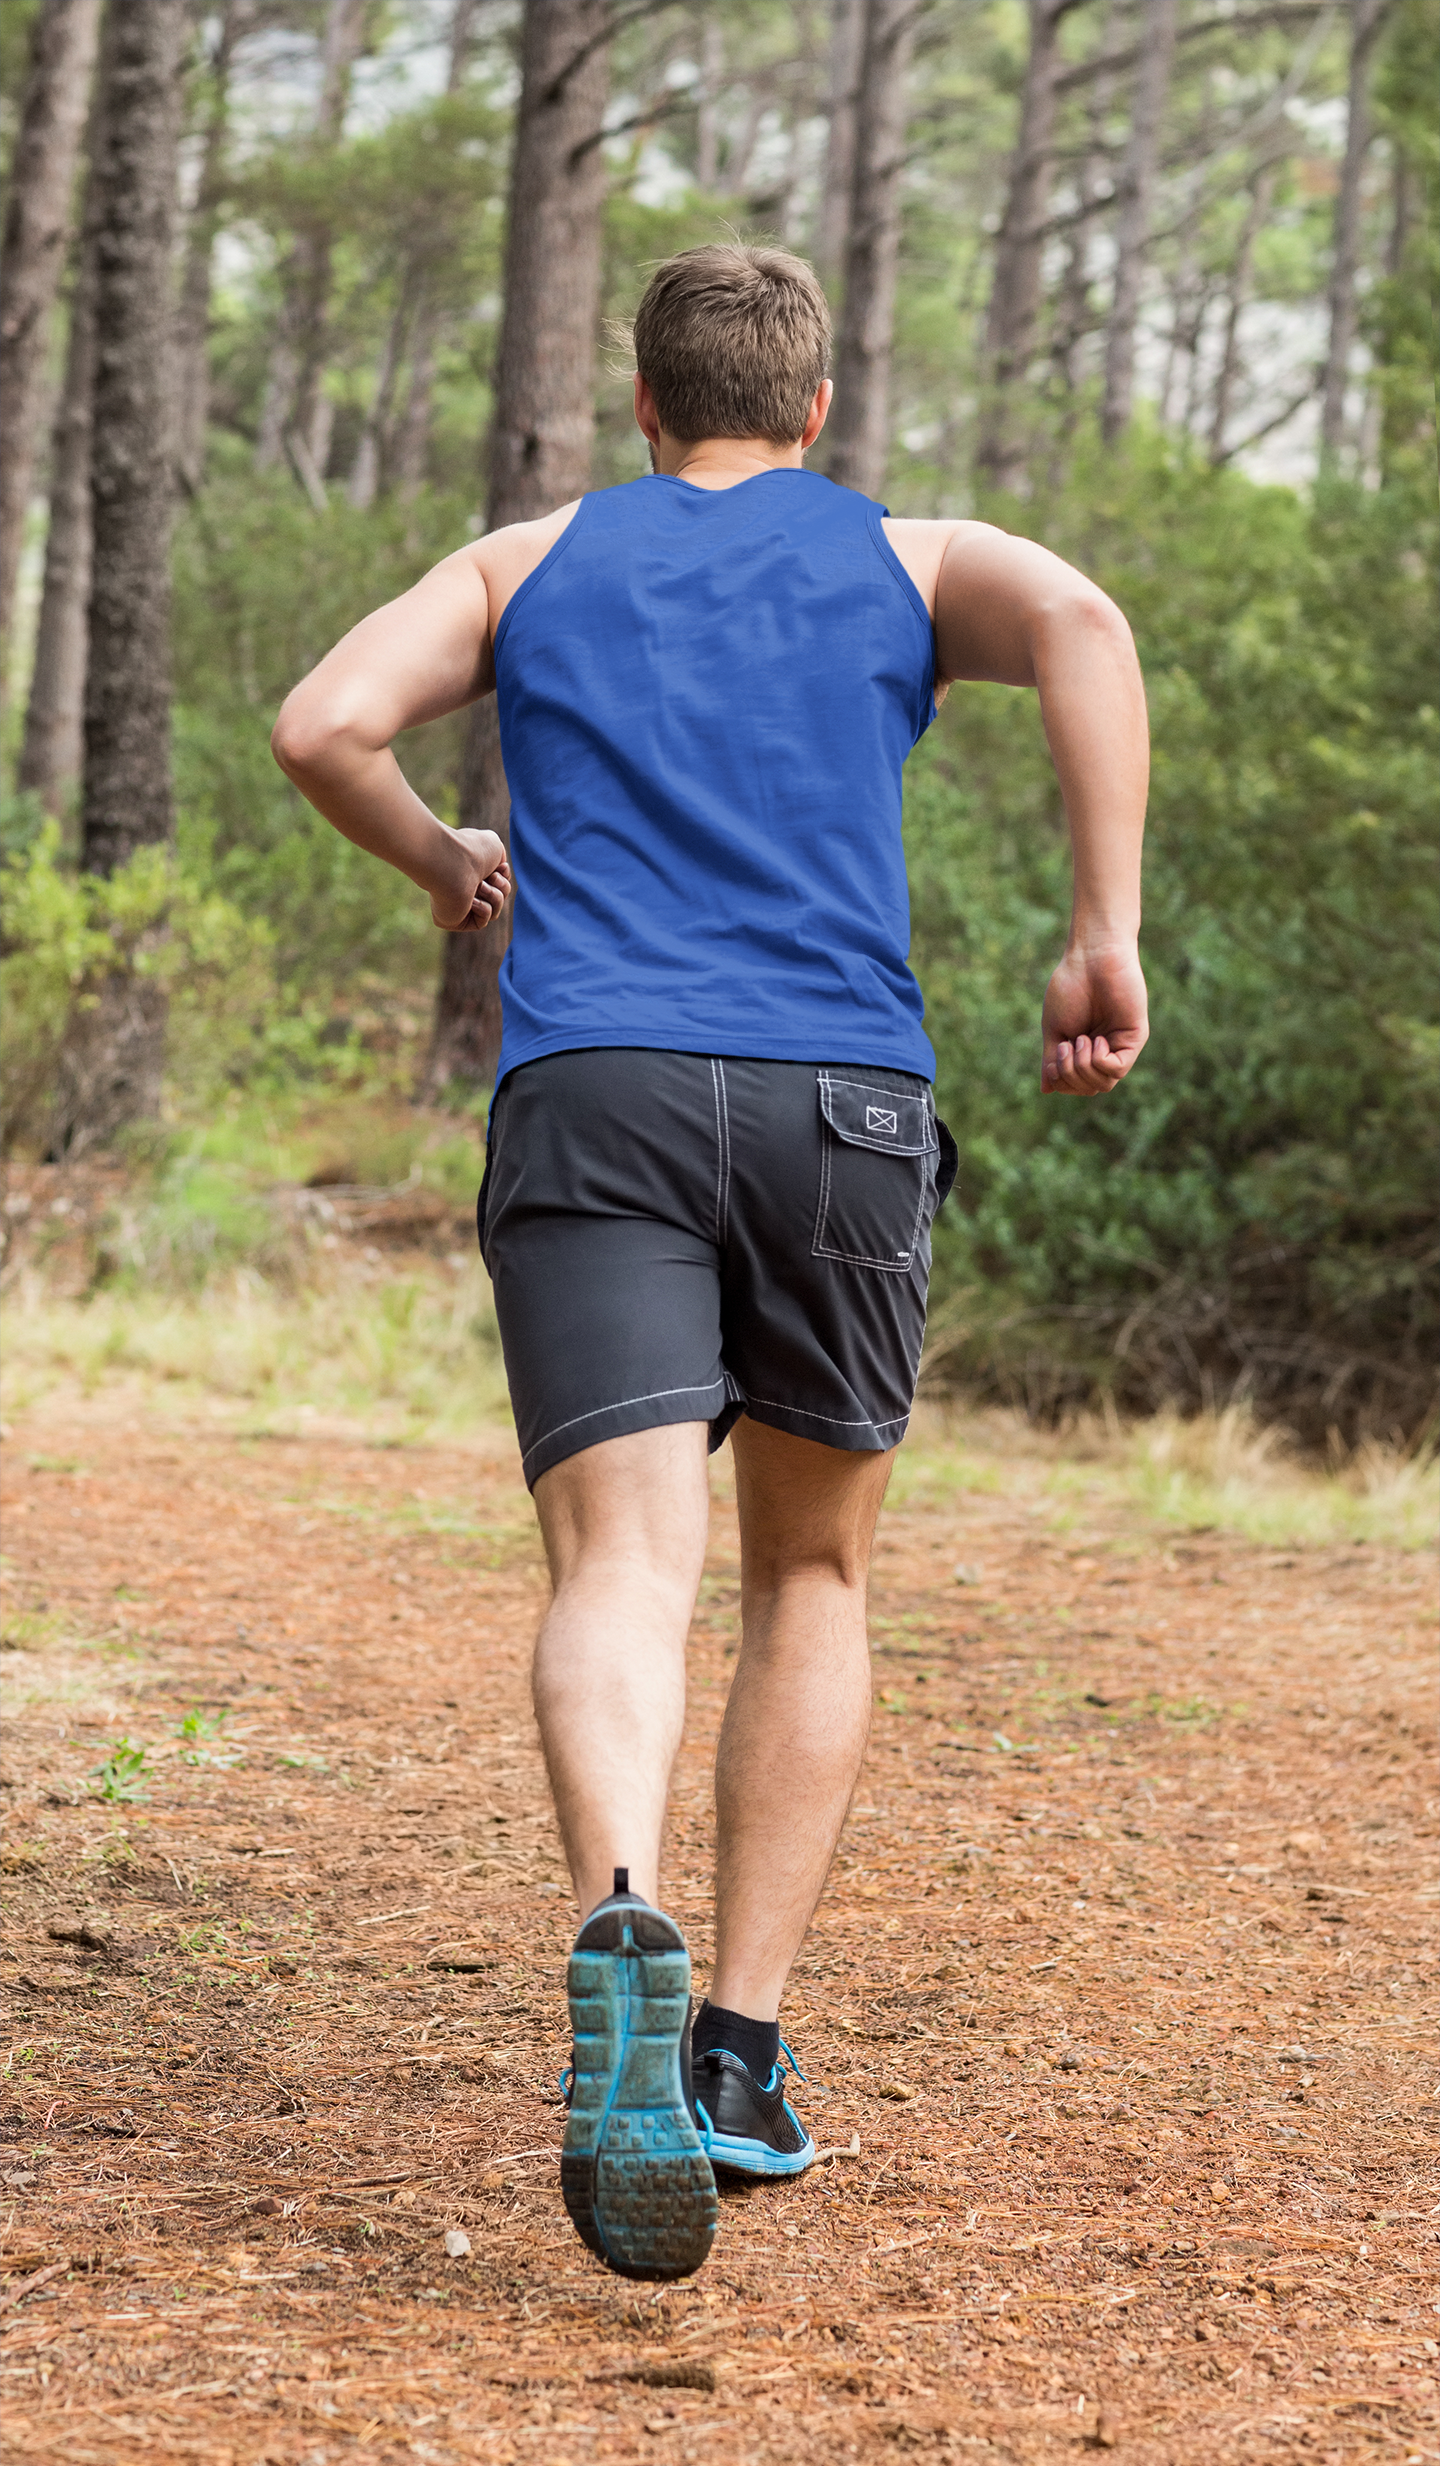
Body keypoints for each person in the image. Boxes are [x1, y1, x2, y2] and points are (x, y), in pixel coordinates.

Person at [272, 243, 1149, 2285]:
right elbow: (1092, 622)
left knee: (620, 1568)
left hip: (596, 1089)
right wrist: (1102, 923)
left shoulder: (531, 558)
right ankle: (736, 2048)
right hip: (842, 1101)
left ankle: (620, 1912)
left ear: (645, 416)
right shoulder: (910, 557)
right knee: (813, 1571)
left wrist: (450, 863)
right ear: (816, 411)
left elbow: (323, 721)